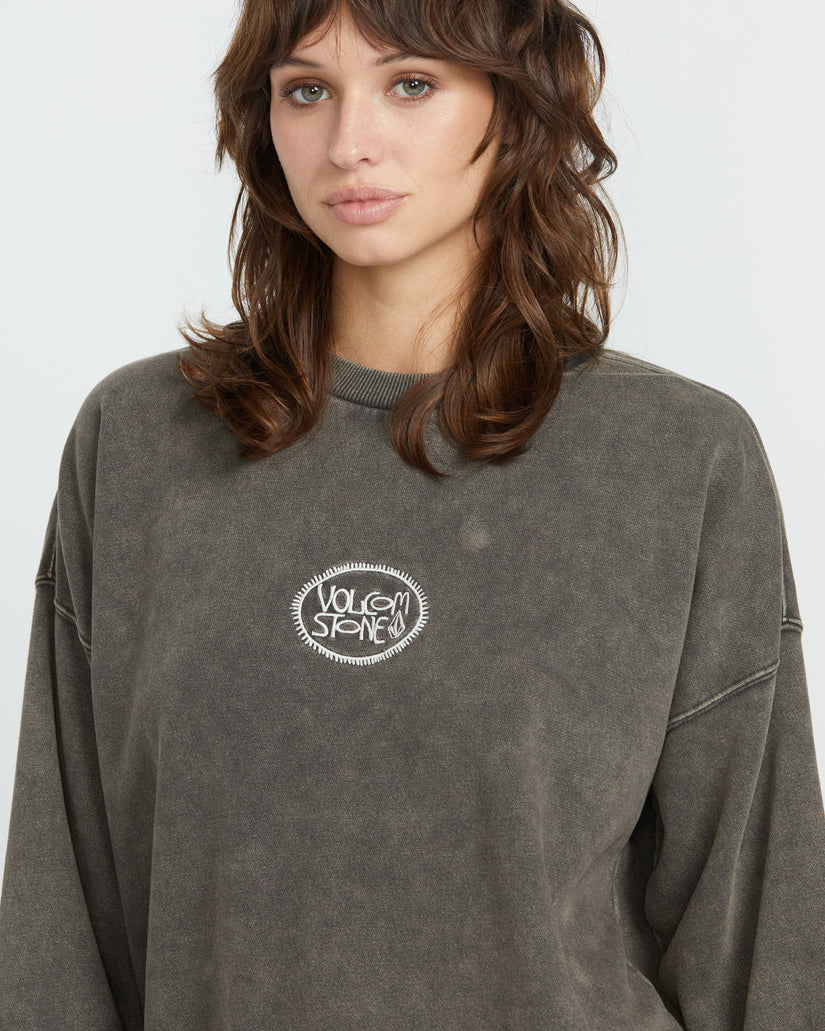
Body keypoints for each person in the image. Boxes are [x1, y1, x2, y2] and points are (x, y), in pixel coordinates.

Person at [1, 0, 823, 1027]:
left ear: (515, 108)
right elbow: (62, 913)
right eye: (307, 90)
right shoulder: (139, 442)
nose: (350, 141)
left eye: (411, 83)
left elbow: (757, 936)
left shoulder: (677, 457)